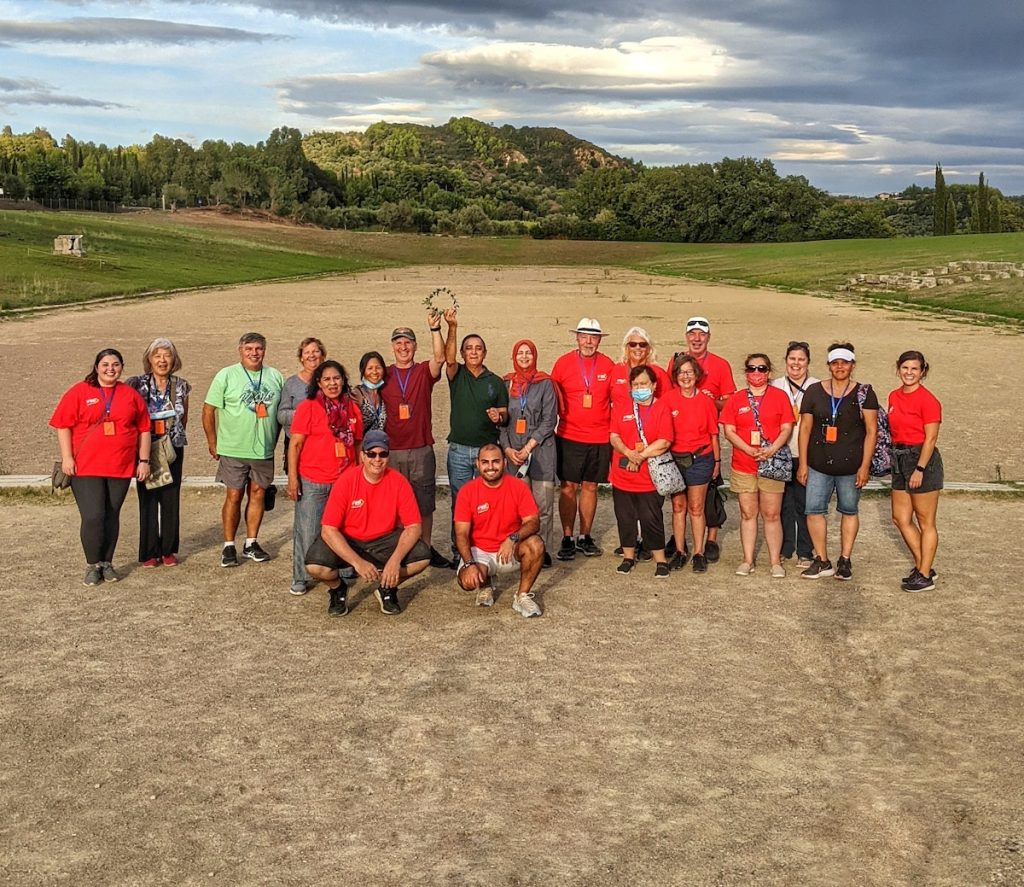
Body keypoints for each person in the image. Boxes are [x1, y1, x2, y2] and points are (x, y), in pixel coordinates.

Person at [50, 348, 151, 586]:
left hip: (120, 465)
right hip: (85, 466)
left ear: (122, 367)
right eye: (105, 364)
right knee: (93, 515)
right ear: (97, 367)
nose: (110, 369)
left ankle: (107, 563)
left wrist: (143, 461)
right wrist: (67, 458)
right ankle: (92, 564)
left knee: (111, 515)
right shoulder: (80, 391)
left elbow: (144, 428)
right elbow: (62, 425)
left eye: (115, 364)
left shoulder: (130, 395)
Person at [304, 431, 431, 617]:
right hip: (350, 539)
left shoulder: (399, 482)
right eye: (371, 454)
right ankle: (338, 588)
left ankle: (386, 588)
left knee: (422, 557)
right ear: (362, 456)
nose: (377, 459)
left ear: (389, 456)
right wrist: (358, 563)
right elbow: (329, 529)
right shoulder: (346, 481)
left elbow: (414, 526)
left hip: (383, 539)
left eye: (383, 454)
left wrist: (394, 561)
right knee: (315, 566)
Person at [797, 343, 879, 581]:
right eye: (835, 362)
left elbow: (872, 431)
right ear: (829, 365)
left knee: (849, 510)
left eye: (844, 362)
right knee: (813, 511)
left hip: (851, 465)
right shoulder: (814, 391)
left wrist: (865, 466)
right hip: (818, 463)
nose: (840, 367)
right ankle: (822, 560)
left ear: (852, 365)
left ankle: (845, 558)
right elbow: (805, 429)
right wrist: (803, 463)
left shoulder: (864, 393)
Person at [202, 332, 285, 567]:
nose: (254, 353)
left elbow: (280, 414)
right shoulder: (226, 375)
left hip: (263, 450)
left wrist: (273, 441)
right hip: (233, 447)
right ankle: (229, 545)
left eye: (258, 348)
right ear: (240, 351)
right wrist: (212, 441)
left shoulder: (275, 376)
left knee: (258, 494)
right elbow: (208, 410)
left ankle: (251, 542)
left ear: (264, 351)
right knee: (234, 495)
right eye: (249, 348)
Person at [286, 360, 363, 596]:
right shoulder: (308, 407)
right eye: (327, 379)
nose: (333, 383)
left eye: (337, 378)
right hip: (313, 479)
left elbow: (358, 443)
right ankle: (301, 575)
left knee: (345, 528)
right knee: (307, 530)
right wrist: (293, 478)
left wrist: (359, 477)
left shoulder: (352, 408)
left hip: (344, 480)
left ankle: (346, 567)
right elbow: (295, 444)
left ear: (343, 380)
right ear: (319, 382)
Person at [382, 312, 450, 568]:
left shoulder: (422, 371)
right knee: (396, 507)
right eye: (398, 343)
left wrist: (435, 329)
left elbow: (440, 358)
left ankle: (426, 549)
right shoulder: (385, 374)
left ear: (414, 346)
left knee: (424, 505)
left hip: (421, 448)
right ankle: (398, 551)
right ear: (393, 347)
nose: (403, 347)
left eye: (407, 342)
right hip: (392, 451)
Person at [666, 316, 736, 562]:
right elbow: (668, 400)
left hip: (704, 442)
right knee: (680, 505)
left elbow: (729, 402)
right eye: (692, 334)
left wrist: (708, 401)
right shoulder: (674, 361)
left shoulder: (720, 364)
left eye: (702, 334)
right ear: (686, 336)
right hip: (678, 449)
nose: (697, 338)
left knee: (707, 499)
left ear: (708, 337)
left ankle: (709, 541)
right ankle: (679, 545)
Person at [720, 354, 794, 577]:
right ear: (746, 373)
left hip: (771, 462)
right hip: (744, 463)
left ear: (769, 373)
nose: (757, 373)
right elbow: (729, 430)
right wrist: (748, 449)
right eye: (752, 369)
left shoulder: (780, 397)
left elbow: (786, 427)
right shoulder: (736, 399)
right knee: (747, 513)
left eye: (762, 369)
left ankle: (775, 562)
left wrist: (772, 449)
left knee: (772, 514)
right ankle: (747, 560)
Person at [550, 318, 615, 561]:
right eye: (584, 336)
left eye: (593, 337)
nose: (588, 341)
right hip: (569, 435)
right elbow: (552, 396)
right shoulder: (564, 363)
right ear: (576, 338)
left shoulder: (608, 365)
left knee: (590, 486)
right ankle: (567, 537)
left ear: (599, 340)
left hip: (599, 437)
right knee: (568, 487)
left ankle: (584, 536)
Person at [453, 444, 545, 617]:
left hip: (509, 550)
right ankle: (485, 584)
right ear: (477, 464)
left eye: (495, 461)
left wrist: (513, 538)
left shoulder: (518, 487)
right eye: (485, 462)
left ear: (504, 462)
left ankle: (522, 596)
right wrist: (469, 563)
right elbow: (461, 534)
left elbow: (533, 522)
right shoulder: (467, 491)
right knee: (467, 581)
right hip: (480, 552)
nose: (490, 467)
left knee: (536, 544)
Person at [444, 316, 509, 554]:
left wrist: (498, 417)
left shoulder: (495, 382)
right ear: (462, 353)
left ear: (485, 353)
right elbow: (448, 358)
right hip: (459, 451)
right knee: (460, 505)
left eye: (478, 348)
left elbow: (504, 414)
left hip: (487, 455)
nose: (473, 352)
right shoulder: (456, 374)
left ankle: (483, 547)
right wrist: (452, 327)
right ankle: (459, 551)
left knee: (486, 504)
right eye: (469, 348)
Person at [125, 338, 192, 567]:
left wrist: (172, 438)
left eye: (167, 356)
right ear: (149, 359)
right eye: (157, 356)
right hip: (146, 448)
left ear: (174, 360)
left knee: (171, 497)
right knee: (148, 498)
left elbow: (184, 417)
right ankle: (149, 551)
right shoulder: (137, 384)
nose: (162, 361)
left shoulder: (181, 385)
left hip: (172, 446)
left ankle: (168, 550)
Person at [499, 339, 560, 569]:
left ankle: (542, 550)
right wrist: (507, 450)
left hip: (541, 452)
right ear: (514, 356)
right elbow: (502, 422)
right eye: (520, 353)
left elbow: (549, 420)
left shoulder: (545, 383)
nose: (524, 357)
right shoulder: (506, 383)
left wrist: (528, 448)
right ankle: (520, 549)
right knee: (519, 508)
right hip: (513, 454)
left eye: (529, 353)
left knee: (543, 506)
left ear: (535, 356)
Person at [608, 366, 673, 577]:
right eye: (635, 385)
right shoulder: (621, 407)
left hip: (649, 477)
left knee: (651, 517)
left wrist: (640, 456)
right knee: (624, 516)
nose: (639, 388)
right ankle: (628, 556)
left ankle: (660, 560)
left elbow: (665, 441)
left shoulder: (662, 408)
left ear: (653, 386)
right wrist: (628, 452)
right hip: (623, 474)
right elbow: (614, 435)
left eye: (643, 384)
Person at [888, 350, 943, 593]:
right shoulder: (893, 396)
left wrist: (919, 468)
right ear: (898, 368)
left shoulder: (928, 400)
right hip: (899, 458)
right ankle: (924, 565)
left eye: (914, 369)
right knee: (900, 518)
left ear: (923, 371)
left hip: (921, 459)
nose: (909, 373)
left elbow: (930, 439)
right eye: (905, 368)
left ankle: (924, 575)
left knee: (925, 520)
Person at [662, 354, 721, 573]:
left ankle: (698, 552)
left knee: (696, 507)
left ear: (696, 375)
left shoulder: (706, 401)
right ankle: (679, 551)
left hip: (701, 459)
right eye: (681, 372)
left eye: (689, 372)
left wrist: (717, 461)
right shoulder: (667, 400)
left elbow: (714, 434)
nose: (685, 377)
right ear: (675, 376)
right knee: (678, 507)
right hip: (675, 460)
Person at [770, 341, 819, 569]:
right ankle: (785, 547)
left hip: (806, 454)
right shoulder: (775, 385)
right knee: (782, 505)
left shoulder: (817, 387)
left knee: (805, 504)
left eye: (801, 359)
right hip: (780, 453)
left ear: (808, 362)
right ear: (786, 360)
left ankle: (805, 550)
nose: (796, 364)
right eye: (792, 359)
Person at [278, 337, 326, 472]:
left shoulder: (331, 379)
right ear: (301, 358)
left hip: (324, 443)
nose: (311, 355)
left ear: (322, 355)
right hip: (297, 443)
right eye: (307, 352)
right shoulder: (291, 383)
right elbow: (281, 415)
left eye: (316, 351)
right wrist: (304, 414)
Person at [350, 351, 388, 433]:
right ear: (363, 371)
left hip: (381, 443)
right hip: (362, 443)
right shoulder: (357, 394)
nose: (374, 372)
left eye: (378, 368)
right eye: (370, 368)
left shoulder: (383, 393)